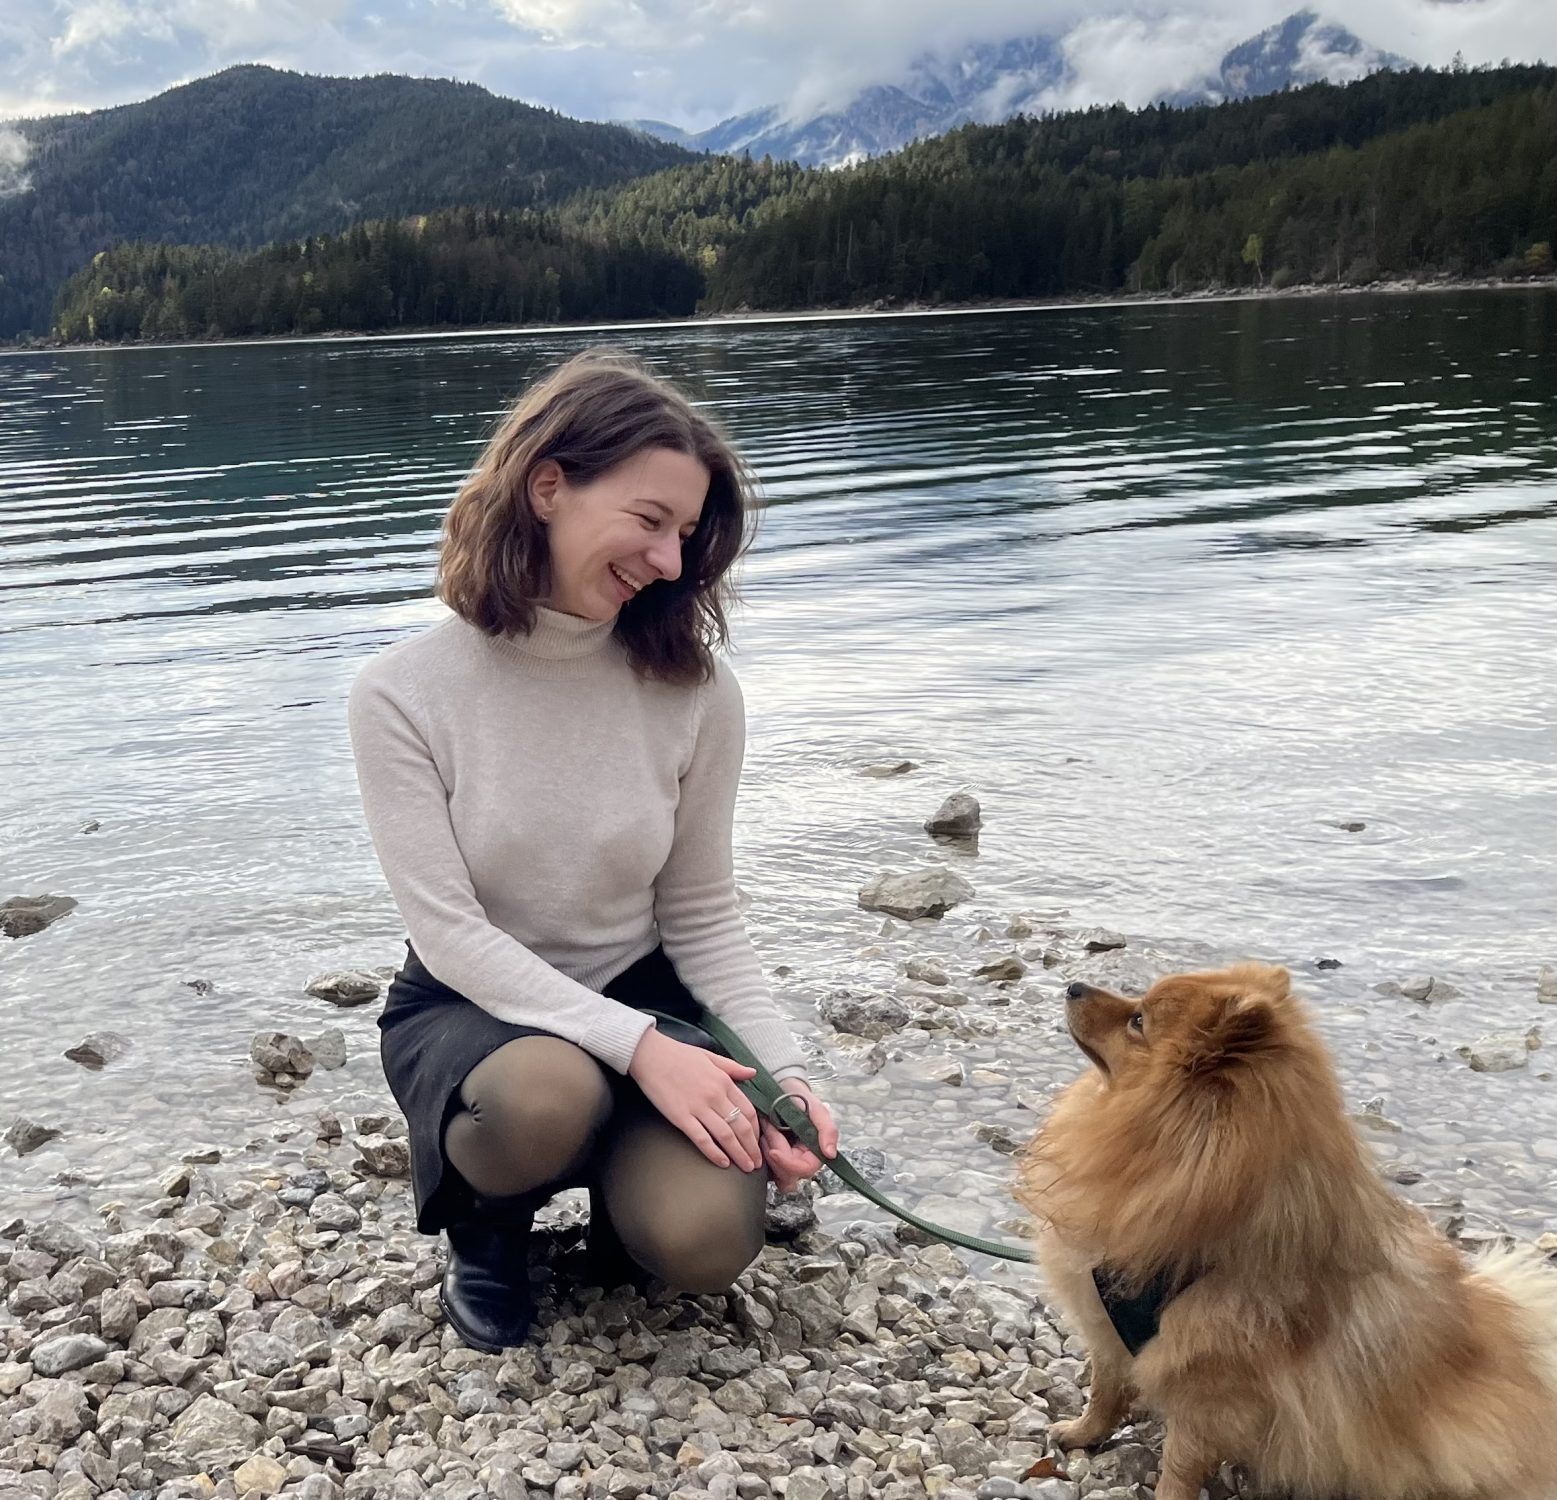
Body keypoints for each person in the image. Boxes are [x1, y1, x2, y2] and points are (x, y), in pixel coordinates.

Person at [347, 349, 838, 1354]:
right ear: (548, 487)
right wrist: (646, 1053)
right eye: (649, 521)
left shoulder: (695, 690)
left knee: (703, 1245)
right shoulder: (402, 692)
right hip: (472, 1008)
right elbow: (450, 934)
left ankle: (626, 1207)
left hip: (647, 991)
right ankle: (486, 1233)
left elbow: (702, 915)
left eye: (686, 537)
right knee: (543, 1097)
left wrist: (781, 1079)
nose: (669, 561)